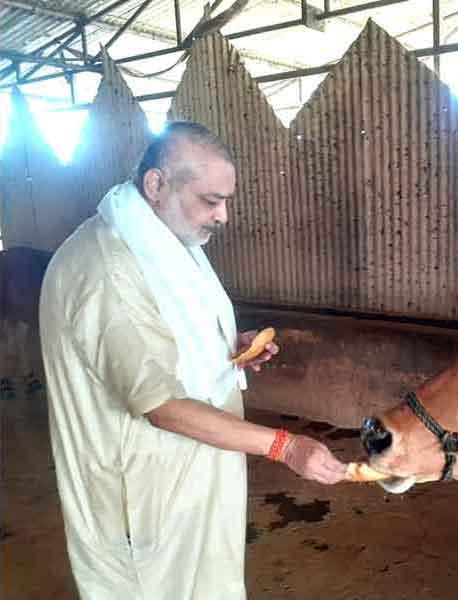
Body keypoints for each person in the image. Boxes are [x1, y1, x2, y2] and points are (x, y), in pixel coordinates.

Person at [39, 121, 346, 600]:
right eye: (210, 201)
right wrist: (285, 447)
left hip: (190, 481)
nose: (223, 216)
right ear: (156, 184)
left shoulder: (161, 240)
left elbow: (168, 336)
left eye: (226, 200)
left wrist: (229, 346)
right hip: (143, 501)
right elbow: (159, 404)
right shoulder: (106, 268)